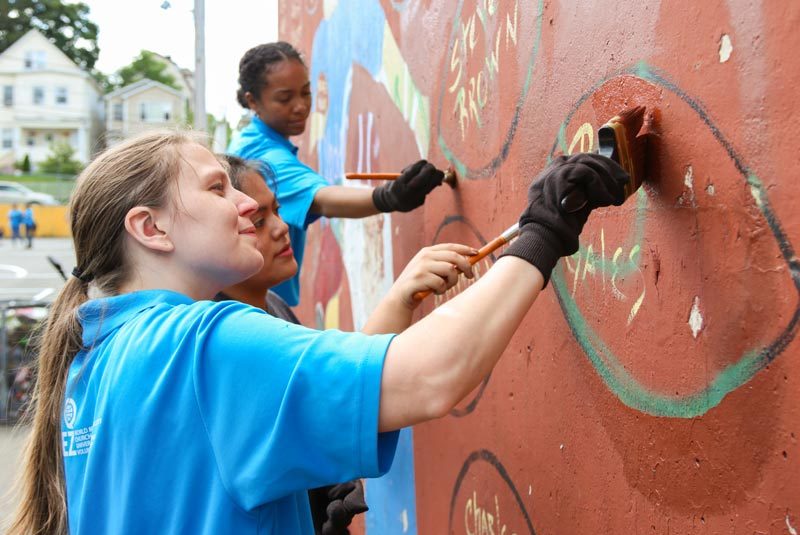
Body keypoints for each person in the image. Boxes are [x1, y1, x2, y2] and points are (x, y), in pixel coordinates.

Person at [9, 130, 628, 534]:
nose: (249, 205)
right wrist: (545, 229)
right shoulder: (201, 344)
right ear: (151, 229)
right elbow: (432, 376)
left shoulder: (96, 355)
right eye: (217, 188)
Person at [217, 154, 478, 534]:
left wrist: (403, 297)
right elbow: (418, 386)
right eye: (258, 222)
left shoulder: (271, 306)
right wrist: (539, 239)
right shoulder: (234, 346)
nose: (281, 227)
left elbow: (346, 381)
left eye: (277, 210)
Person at [229, 41, 445, 306]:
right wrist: (389, 196)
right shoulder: (262, 156)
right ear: (253, 100)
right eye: (285, 98)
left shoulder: (250, 139)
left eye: (306, 93)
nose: (300, 106)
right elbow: (322, 198)